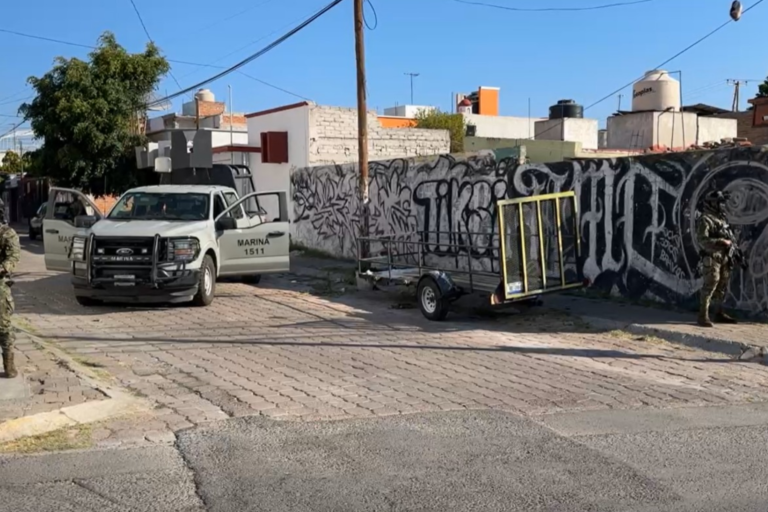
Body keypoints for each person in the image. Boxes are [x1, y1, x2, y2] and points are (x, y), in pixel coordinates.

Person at [696, 190, 737, 328]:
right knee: (711, 284)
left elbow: (730, 237)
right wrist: (721, 242)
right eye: (719, 203)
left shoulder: (722, 219)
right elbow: (702, 240)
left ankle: (718, 312)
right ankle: (703, 316)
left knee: (722, 286)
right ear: (712, 203)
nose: (722, 205)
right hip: (712, 257)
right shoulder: (705, 219)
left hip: (725, 257)